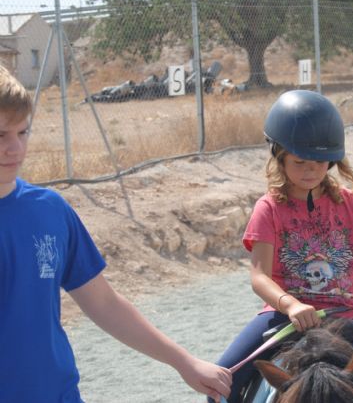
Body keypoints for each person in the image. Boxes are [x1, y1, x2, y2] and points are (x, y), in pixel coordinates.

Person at [0, 66, 232, 402]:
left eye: (23, 133)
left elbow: (104, 303)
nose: (15, 148)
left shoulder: (50, 210)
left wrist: (184, 362)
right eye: (0, 135)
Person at [216, 90, 353, 403]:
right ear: (279, 155)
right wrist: (291, 305)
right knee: (222, 383)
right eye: (299, 161)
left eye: (319, 162)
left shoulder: (349, 203)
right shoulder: (268, 207)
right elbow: (259, 277)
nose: (310, 171)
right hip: (287, 315)